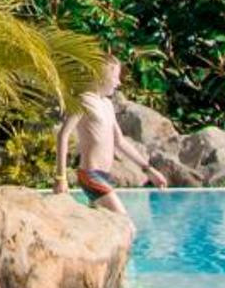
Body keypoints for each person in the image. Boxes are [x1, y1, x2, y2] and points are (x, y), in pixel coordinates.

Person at [54, 55, 166, 226]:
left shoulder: (107, 104)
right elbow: (63, 135)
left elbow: (120, 141)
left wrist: (149, 170)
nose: (118, 82)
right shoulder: (83, 100)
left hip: (104, 176)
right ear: (101, 75)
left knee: (100, 227)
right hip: (90, 175)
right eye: (115, 77)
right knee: (126, 225)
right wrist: (61, 177)